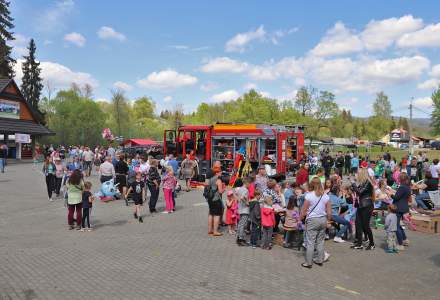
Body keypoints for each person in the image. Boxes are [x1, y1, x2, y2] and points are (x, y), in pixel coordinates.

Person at [300, 177, 331, 268]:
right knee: (320, 241)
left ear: (311, 184)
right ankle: (320, 260)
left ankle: (308, 263)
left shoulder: (309, 195)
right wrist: (328, 220)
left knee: (310, 242)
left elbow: (303, 210)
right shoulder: (325, 196)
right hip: (323, 219)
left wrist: (300, 219)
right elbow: (329, 211)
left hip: (312, 220)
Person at [351, 168, 375, 250]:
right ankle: (359, 243)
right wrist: (353, 185)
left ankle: (372, 244)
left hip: (367, 206)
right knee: (358, 223)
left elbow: (360, 192)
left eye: (358, 174)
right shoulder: (363, 183)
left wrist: (353, 184)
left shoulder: (368, 183)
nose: (356, 175)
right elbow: (356, 191)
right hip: (361, 205)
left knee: (366, 225)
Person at [392, 173, 411, 251]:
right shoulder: (407, 187)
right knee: (399, 225)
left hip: (398, 208)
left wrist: (390, 194)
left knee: (396, 227)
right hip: (404, 207)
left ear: (401, 179)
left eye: (399, 178)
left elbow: (396, 197)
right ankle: (405, 239)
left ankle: (400, 244)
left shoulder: (402, 187)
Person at [207, 166, 225, 236]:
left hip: (210, 199)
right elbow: (220, 192)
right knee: (217, 215)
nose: (221, 173)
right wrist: (224, 189)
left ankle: (210, 230)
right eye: (220, 172)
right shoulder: (218, 180)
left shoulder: (211, 179)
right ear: (217, 173)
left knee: (211, 214)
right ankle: (215, 231)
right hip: (216, 199)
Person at [236, 177, 251, 246]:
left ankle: (239, 237)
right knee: (243, 224)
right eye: (249, 184)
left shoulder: (239, 189)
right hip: (245, 209)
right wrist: (247, 202)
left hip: (240, 208)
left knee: (240, 224)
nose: (250, 185)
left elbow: (238, 197)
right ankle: (240, 239)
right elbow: (242, 197)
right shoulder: (246, 190)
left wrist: (239, 201)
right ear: (246, 183)